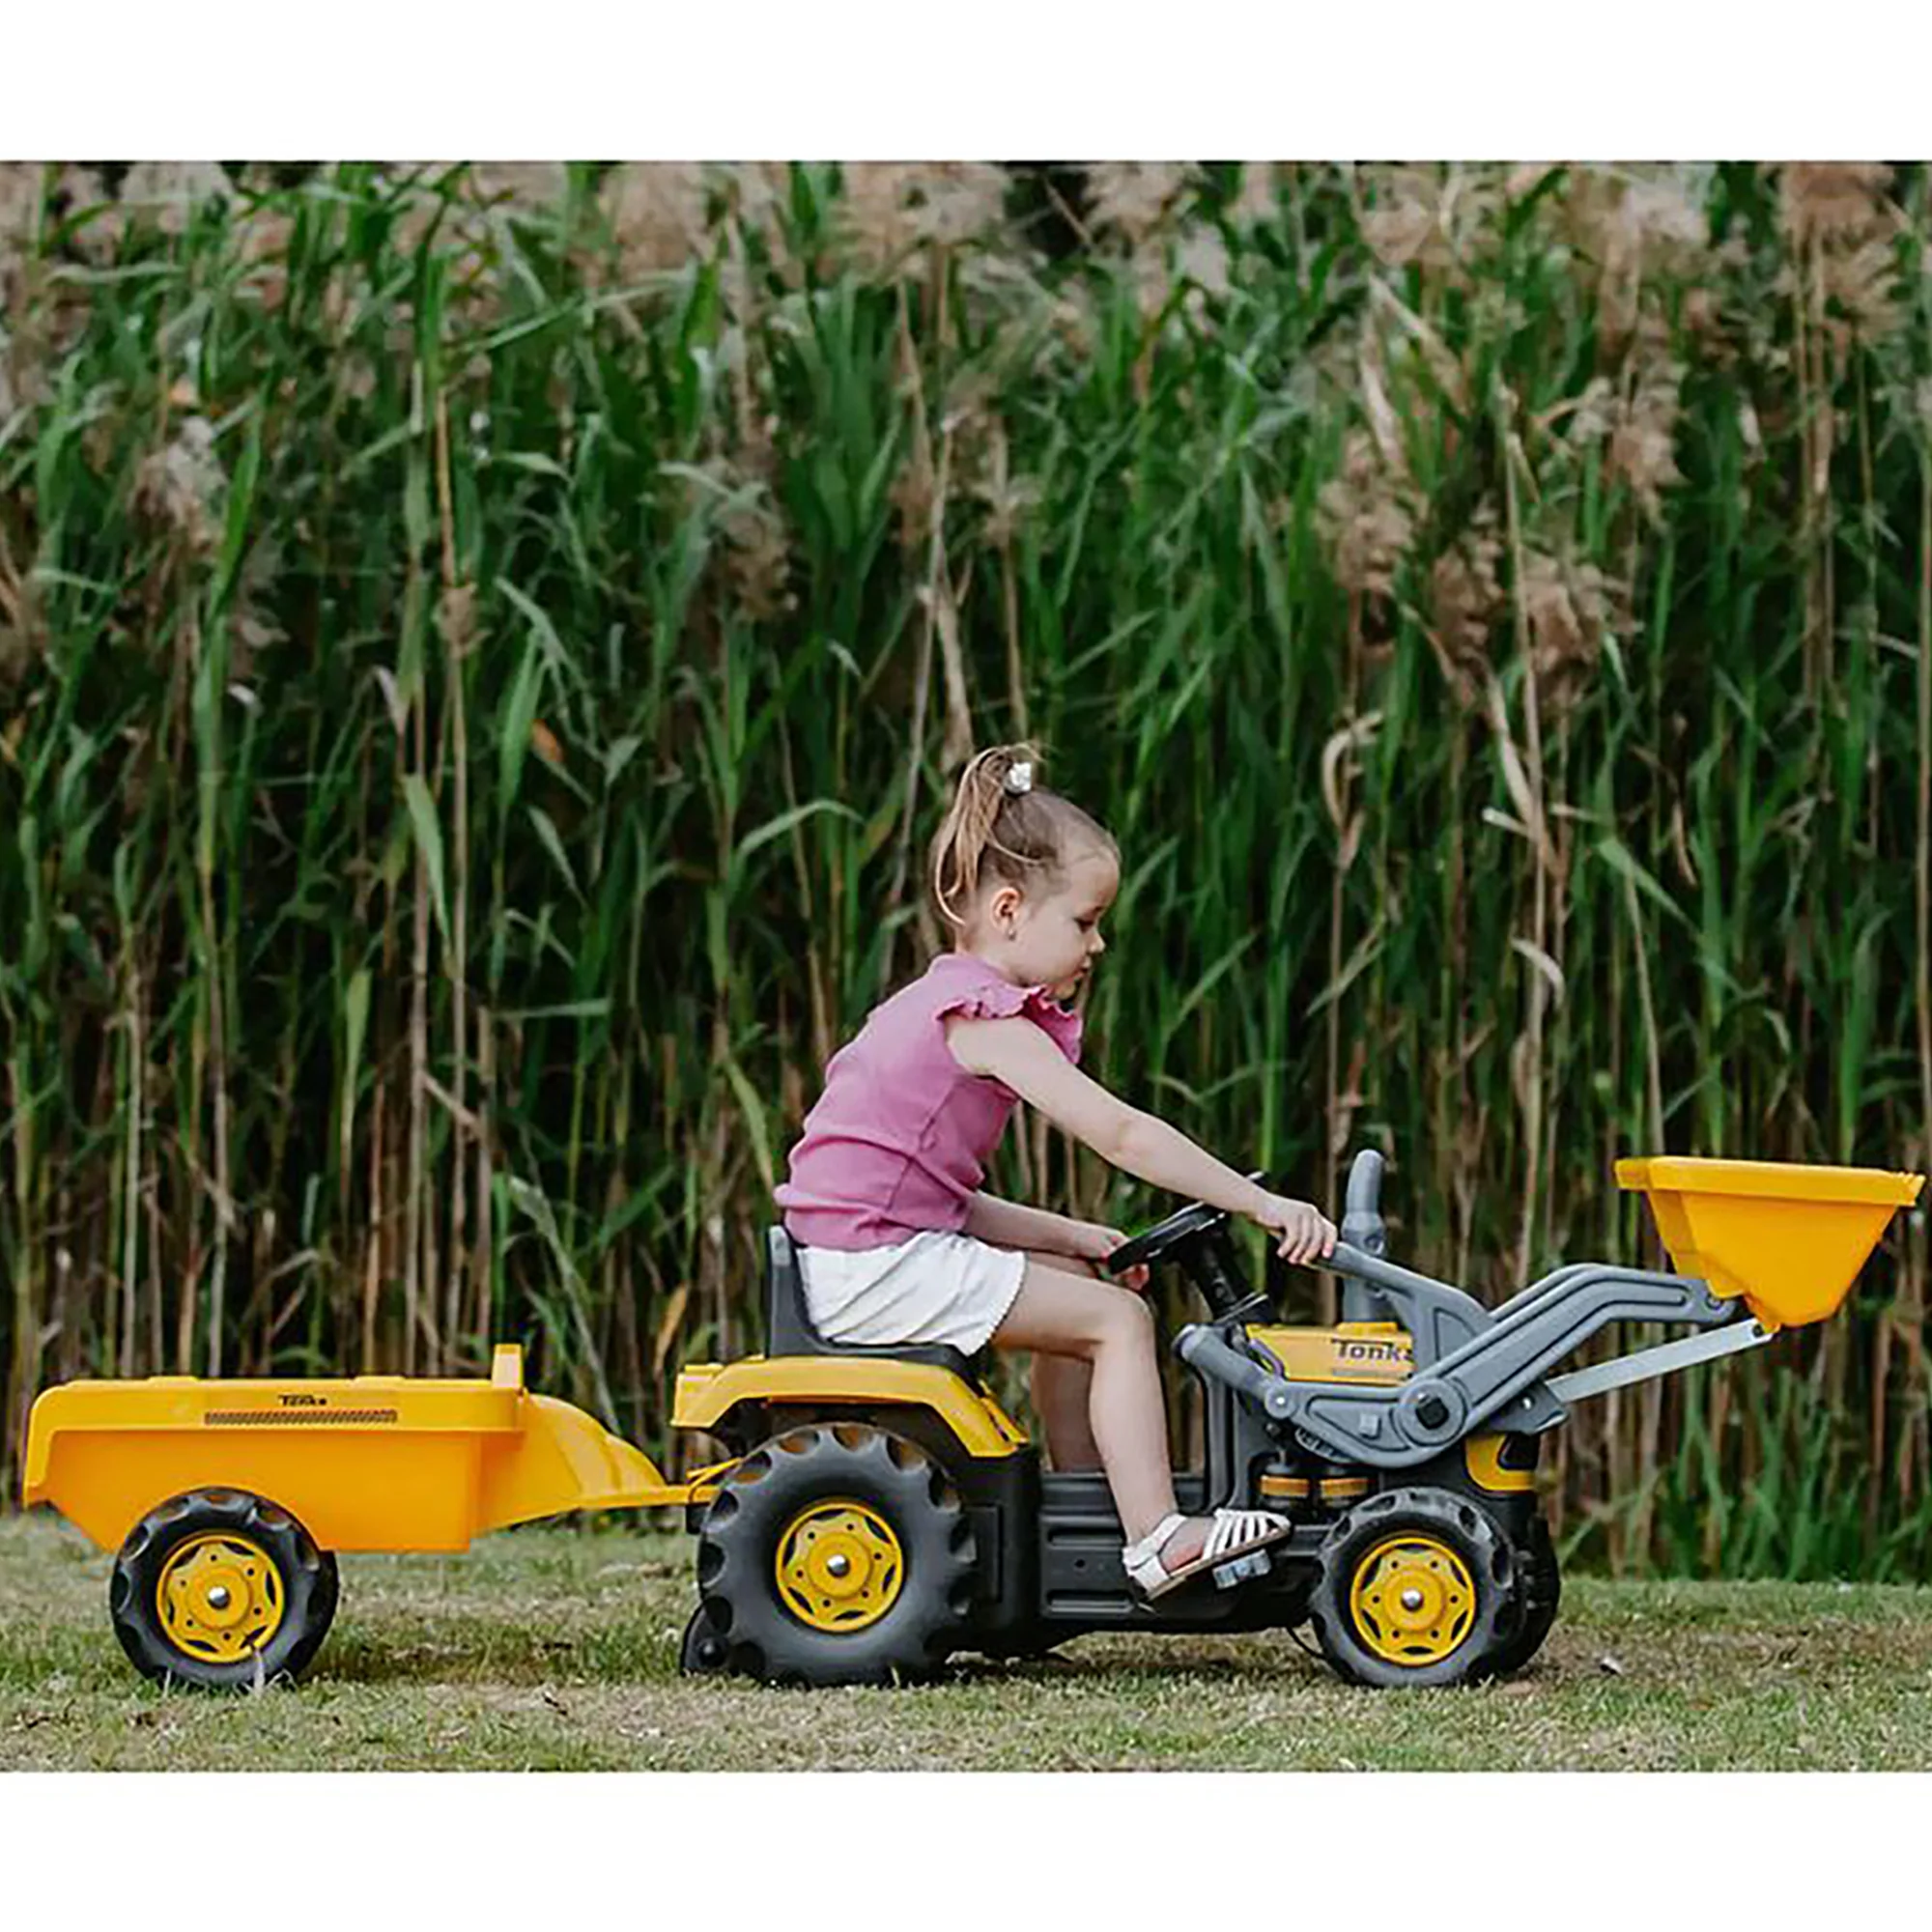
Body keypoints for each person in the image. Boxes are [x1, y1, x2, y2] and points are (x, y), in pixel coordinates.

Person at [774, 743, 1337, 1598]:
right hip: (872, 1272)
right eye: (1084, 920)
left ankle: (1090, 1501)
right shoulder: (986, 1021)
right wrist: (1259, 1202)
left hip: (871, 1253)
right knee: (1116, 1322)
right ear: (1008, 910)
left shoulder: (939, 1005)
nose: (1098, 942)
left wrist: (1073, 1235)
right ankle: (1156, 1538)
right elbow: (1121, 1134)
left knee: (1083, 1277)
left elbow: (939, 1201)